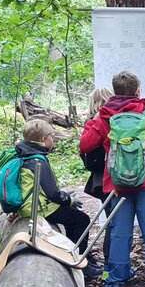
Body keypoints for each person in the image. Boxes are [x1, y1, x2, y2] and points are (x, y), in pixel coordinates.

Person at [79, 71, 145, 287]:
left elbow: (85, 145)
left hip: (116, 184)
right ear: (137, 91)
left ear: (115, 92)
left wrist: (93, 124)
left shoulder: (105, 116)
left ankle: (114, 281)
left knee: (120, 232)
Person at [17, 119, 102, 277]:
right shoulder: (38, 161)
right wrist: (69, 200)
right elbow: (53, 194)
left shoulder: (24, 154)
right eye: (51, 136)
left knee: (72, 218)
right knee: (81, 220)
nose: (53, 140)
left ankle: (77, 255)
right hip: (38, 208)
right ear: (43, 139)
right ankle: (82, 265)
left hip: (29, 205)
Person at [81, 88, 113, 265]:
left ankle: (110, 260)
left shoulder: (90, 122)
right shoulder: (109, 121)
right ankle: (110, 260)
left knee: (111, 218)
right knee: (114, 221)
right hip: (108, 175)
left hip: (98, 178)